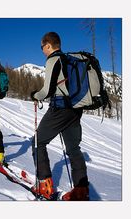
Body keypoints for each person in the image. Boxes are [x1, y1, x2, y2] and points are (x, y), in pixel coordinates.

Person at [30, 32, 89, 200]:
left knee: (38, 142)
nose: (42, 50)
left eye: (42, 47)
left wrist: (35, 95)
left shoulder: (53, 59)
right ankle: (81, 190)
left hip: (60, 108)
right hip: (75, 109)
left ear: (48, 45)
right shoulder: (69, 60)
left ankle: (44, 185)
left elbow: (47, 90)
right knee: (73, 149)